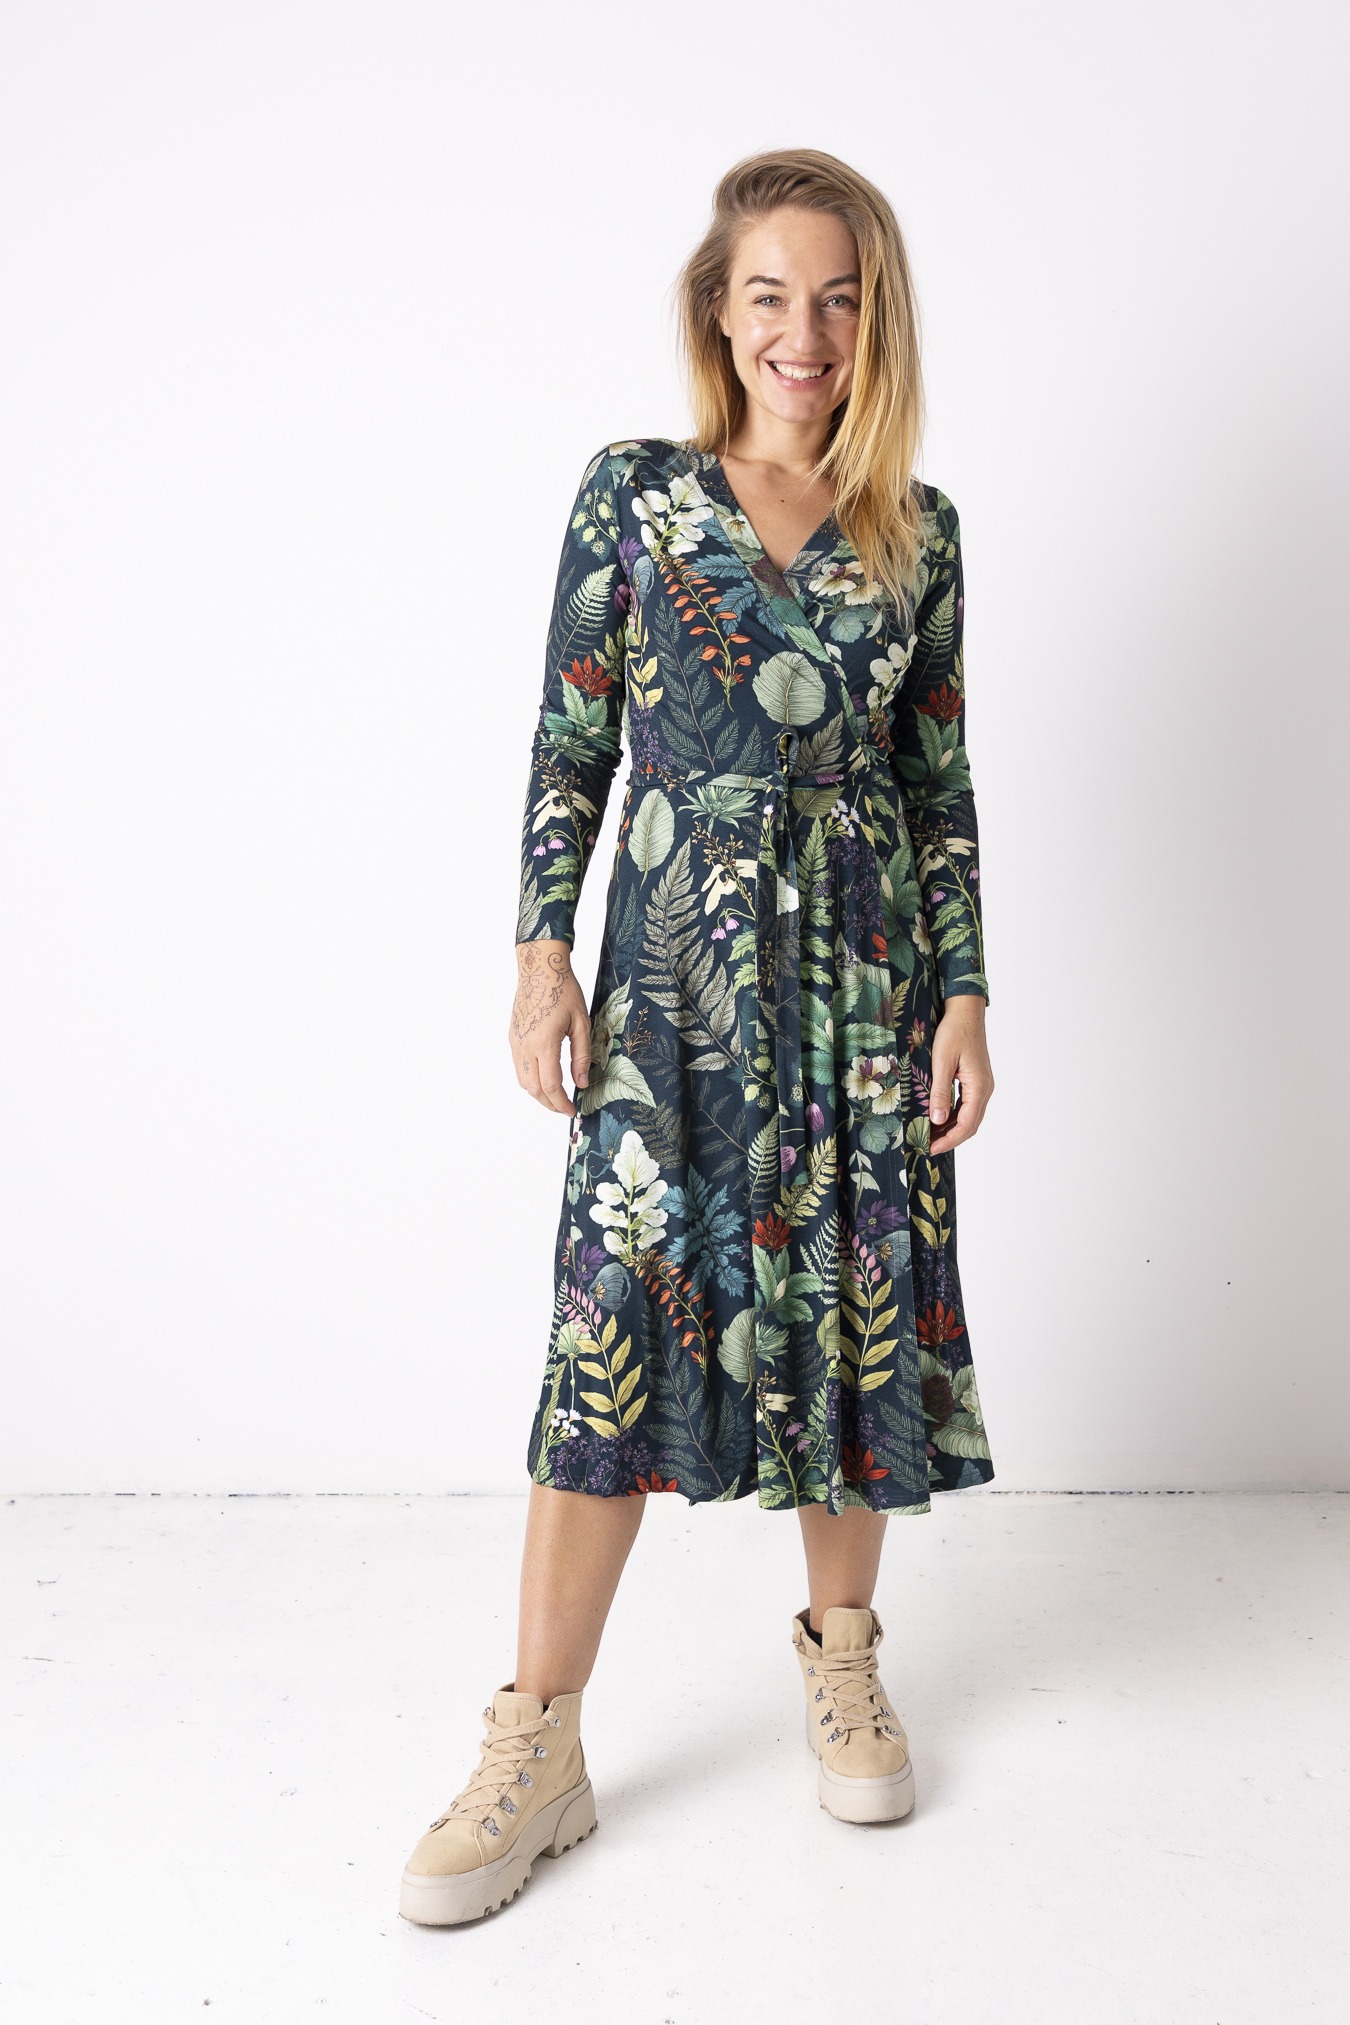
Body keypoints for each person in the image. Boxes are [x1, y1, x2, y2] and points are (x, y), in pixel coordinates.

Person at [399, 147, 996, 1927]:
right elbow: (569, 737)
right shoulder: (634, 496)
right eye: (770, 294)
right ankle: (537, 1738)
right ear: (716, 312)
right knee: (612, 1327)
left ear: (875, 319)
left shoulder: (917, 527)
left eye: (839, 297)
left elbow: (937, 782)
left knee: (851, 1309)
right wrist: (540, 956)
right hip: (668, 985)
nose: (804, 331)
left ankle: (841, 1656)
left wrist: (965, 991)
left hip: (863, 989)